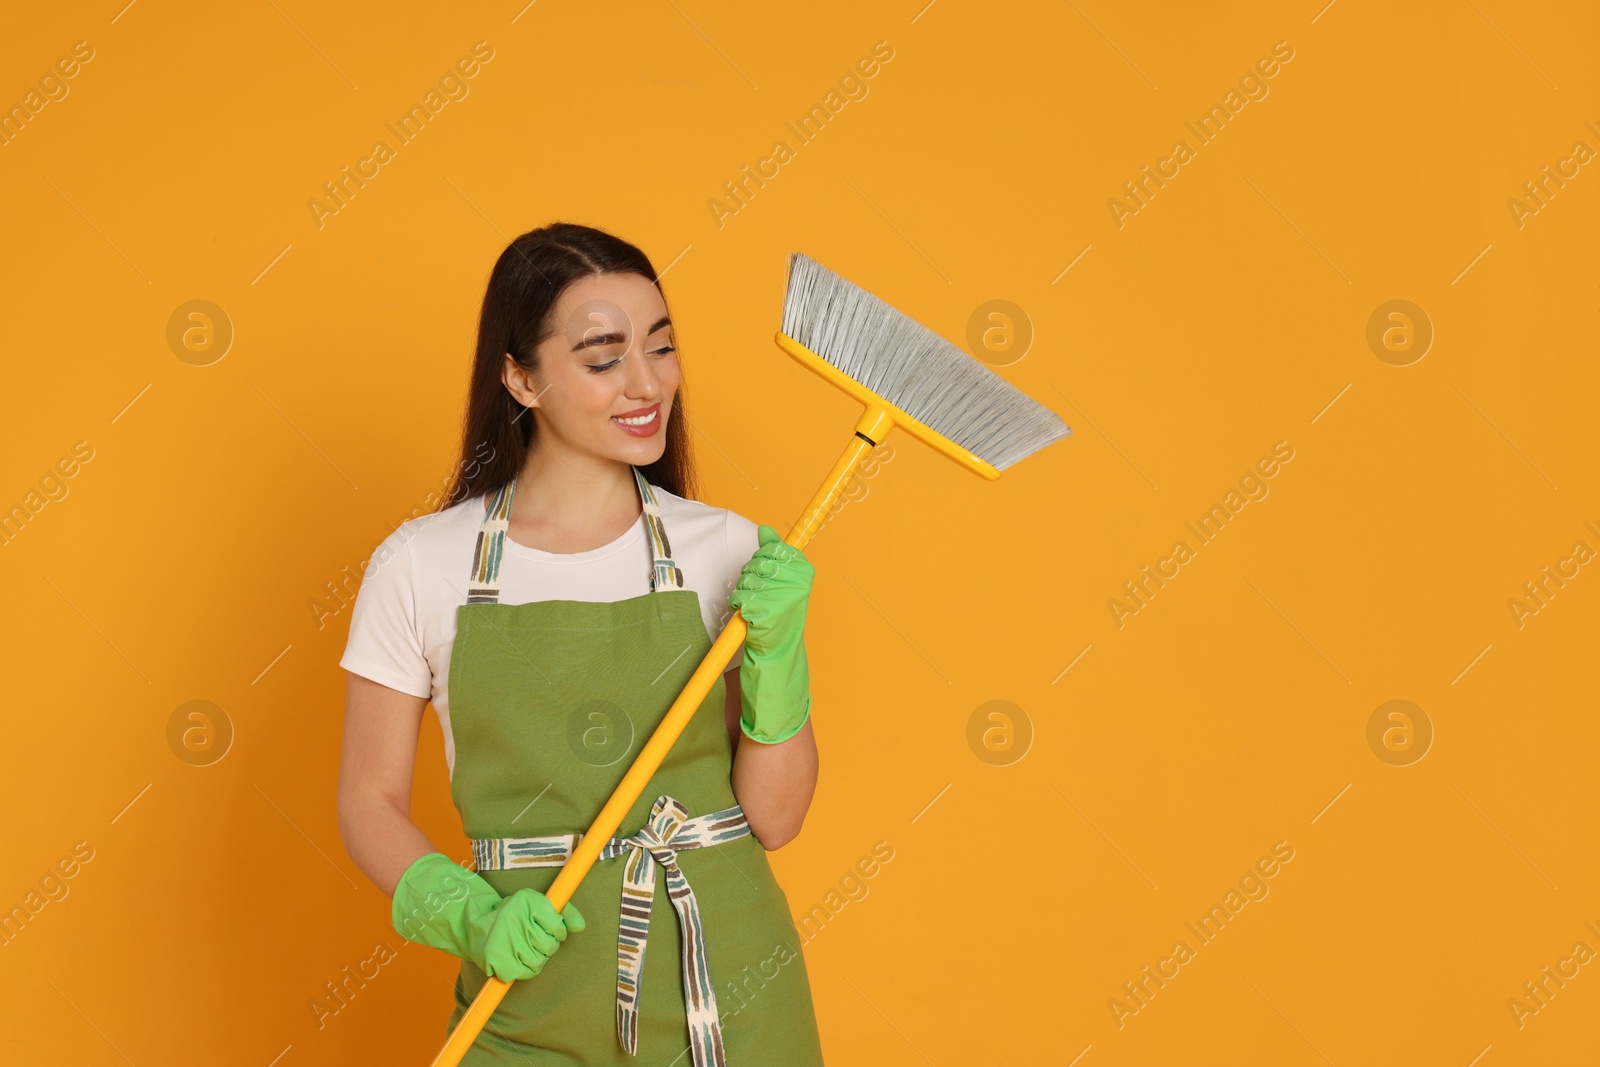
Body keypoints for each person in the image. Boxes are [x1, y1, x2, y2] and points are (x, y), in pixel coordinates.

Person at [336, 222, 826, 1065]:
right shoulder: (420, 563)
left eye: (662, 347)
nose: (646, 383)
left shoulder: (728, 552)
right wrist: (466, 912)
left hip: (729, 986)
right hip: (529, 995)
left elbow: (774, 820)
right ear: (520, 377)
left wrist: (778, 652)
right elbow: (368, 800)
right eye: (603, 358)